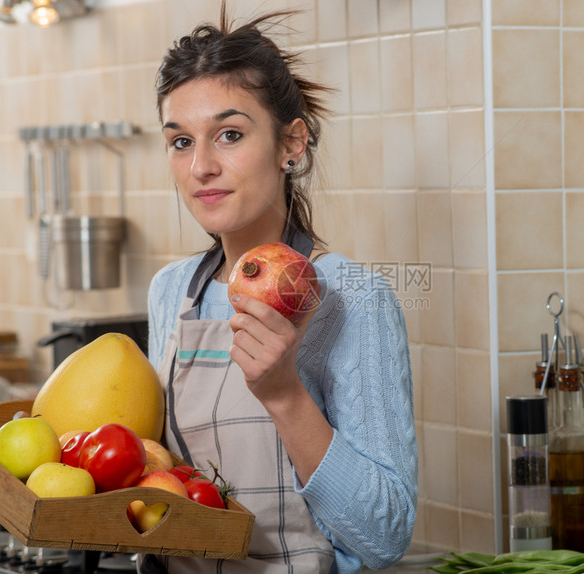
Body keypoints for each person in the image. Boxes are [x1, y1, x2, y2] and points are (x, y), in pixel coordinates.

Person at [145, 5, 418, 573]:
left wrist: (284, 394)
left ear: (291, 144)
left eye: (229, 135)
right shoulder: (171, 292)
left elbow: (386, 534)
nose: (200, 167)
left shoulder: (353, 296)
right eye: (180, 142)